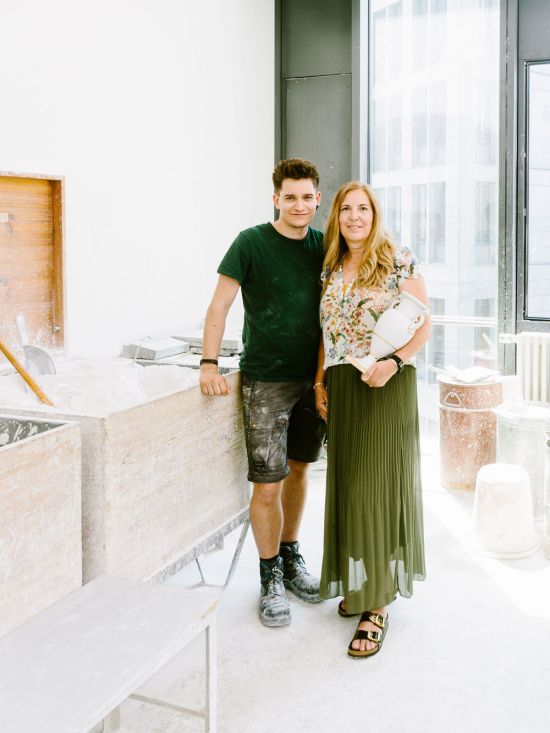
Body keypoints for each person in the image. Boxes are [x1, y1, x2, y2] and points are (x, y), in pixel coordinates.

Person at [199, 158, 326, 627]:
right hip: (265, 381)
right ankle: (269, 576)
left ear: (317, 199)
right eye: (289, 196)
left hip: (313, 382)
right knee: (267, 483)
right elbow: (220, 304)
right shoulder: (250, 243)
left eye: (307, 196)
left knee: (299, 472)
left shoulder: (324, 246)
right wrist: (209, 363)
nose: (298, 204)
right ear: (276, 198)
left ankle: (291, 559)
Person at [313, 181, 431, 658]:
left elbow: (424, 322)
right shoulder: (331, 268)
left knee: (374, 488)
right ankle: (364, 586)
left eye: (363, 209)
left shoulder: (398, 259)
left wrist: (395, 363)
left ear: (374, 214)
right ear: (337, 217)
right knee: (348, 485)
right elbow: (325, 331)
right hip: (343, 386)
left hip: (385, 385)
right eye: (347, 209)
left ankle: (377, 603)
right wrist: (319, 382)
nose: (355, 217)